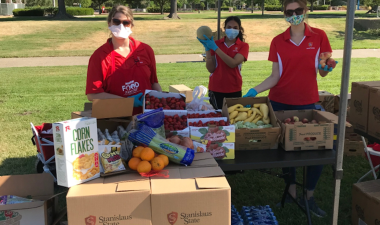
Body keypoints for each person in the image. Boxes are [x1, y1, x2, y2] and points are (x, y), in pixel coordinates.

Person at [243, 0, 338, 218]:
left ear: (305, 11)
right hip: (280, 103)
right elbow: (275, 76)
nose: (293, 14)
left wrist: (326, 67)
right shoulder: (278, 41)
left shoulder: (319, 36)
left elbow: (323, 70)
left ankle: (309, 196)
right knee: (286, 151)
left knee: (319, 148)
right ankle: (292, 192)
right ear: (284, 14)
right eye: (289, 11)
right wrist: (254, 90)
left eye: (298, 10)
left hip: (306, 102)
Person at [86, 5, 162, 115]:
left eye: (126, 22)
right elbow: (92, 94)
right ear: (109, 24)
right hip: (117, 119)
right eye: (116, 22)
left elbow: (154, 82)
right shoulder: (99, 56)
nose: (121, 26)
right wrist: (127, 102)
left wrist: (161, 101)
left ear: (131, 26)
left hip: (147, 117)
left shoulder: (145, 50)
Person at [197, 16, 249, 110]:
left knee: (232, 119)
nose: (231, 30)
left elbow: (233, 63)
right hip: (216, 88)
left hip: (234, 88)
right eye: (229, 27)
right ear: (224, 29)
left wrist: (215, 48)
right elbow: (211, 69)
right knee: (218, 118)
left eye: (235, 28)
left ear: (240, 29)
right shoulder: (216, 43)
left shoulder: (243, 46)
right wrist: (208, 49)